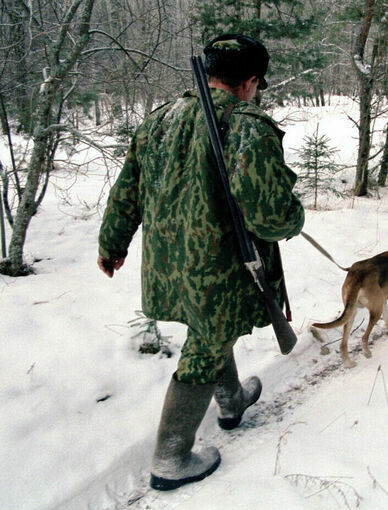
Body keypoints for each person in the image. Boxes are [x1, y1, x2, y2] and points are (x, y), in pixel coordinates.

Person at [97, 34, 304, 491]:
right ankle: (170, 458)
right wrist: (295, 217)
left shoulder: (159, 120)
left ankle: (231, 401)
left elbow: (126, 191)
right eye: (257, 84)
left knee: (212, 331)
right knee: (205, 346)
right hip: (220, 268)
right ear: (249, 81)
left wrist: (112, 244)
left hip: (170, 262)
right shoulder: (247, 125)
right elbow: (269, 217)